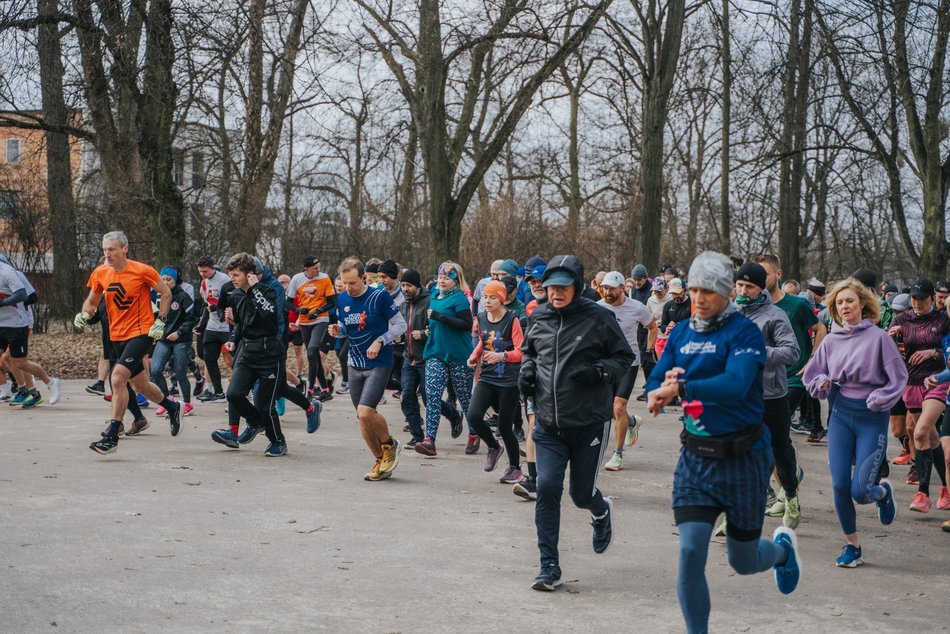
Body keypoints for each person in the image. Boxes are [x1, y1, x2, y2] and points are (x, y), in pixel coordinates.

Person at [646, 251, 801, 632]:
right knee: (690, 552)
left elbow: (736, 383)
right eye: (694, 290)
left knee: (742, 560)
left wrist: (683, 388)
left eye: (709, 291)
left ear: (728, 292)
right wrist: (656, 392)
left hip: (744, 459)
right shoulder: (682, 331)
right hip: (696, 460)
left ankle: (781, 552)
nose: (699, 299)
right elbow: (657, 377)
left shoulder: (744, 331)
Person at [520, 255, 635, 591]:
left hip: (588, 423)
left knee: (581, 495)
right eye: (551, 287)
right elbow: (529, 352)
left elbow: (624, 358)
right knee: (547, 488)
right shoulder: (539, 316)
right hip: (548, 424)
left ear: (578, 286)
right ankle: (549, 566)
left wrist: (599, 372)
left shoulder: (599, 317)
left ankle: (600, 511)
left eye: (563, 287)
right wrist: (527, 371)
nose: (555, 293)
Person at [804, 278, 906, 567]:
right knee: (839, 485)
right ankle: (853, 546)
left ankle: (882, 493)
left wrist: (882, 397)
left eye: (849, 300)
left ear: (862, 303)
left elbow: (899, 378)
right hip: (841, 415)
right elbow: (812, 374)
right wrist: (822, 382)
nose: (844, 306)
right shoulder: (831, 340)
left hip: (871, 418)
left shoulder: (879, 338)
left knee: (860, 492)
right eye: (839, 302)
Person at [75, 231, 182, 455]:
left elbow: (166, 294)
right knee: (141, 385)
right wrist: (84, 313)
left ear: (124, 248)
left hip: (141, 332)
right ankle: (172, 407)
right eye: (105, 249)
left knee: (117, 378)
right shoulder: (101, 272)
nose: (107, 254)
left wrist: (161, 321)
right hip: (116, 335)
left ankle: (112, 436)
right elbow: (92, 301)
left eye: (112, 249)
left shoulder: (142, 270)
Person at [730, 262, 802, 530]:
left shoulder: (775, 315)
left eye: (749, 286)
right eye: (740, 285)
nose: (743, 291)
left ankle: (791, 494)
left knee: (780, 451)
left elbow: (792, 353)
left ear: (761, 288)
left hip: (771, 396)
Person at [329, 257, 407, 480]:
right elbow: (347, 326)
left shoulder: (378, 297)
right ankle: (380, 460)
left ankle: (390, 444)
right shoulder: (343, 298)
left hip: (379, 362)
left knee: (366, 411)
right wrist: (338, 330)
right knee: (362, 417)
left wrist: (381, 340)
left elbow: (401, 325)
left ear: (364, 278)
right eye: (344, 283)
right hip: (354, 363)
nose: (348, 288)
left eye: (352, 283)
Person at [216, 254, 288, 456]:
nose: (232, 279)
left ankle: (278, 441)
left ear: (249, 275)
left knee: (265, 405)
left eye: (236, 275)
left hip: (270, 354)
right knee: (233, 394)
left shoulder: (269, 290)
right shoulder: (236, 295)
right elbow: (240, 324)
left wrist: (255, 289)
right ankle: (256, 422)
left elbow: (270, 315)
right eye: (230, 275)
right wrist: (233, 338)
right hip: (248, 352)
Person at [889, 278, 950, 511]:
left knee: (920, 430)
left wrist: (932, 352)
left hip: (936, 381)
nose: (917, 303)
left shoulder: (943, 319)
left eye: (922, 299)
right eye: (914, 298)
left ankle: (922, 493)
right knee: (931, 438)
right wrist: (891, 337)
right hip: (911, 383)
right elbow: (887, 350)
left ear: (932, 298)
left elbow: (948, 349)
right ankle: (946, 487)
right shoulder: (902, 319)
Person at [467, 280, 526, 483]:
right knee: (473, 415)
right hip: (487, 377)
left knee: (505, 426)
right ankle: (493, 447)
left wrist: (502, 356)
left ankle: (515, 468)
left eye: (493, 297)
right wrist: (474, 356)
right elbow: (483, 342)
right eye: (485, 297)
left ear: (502, 299)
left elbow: (521, 351)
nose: (487, 301)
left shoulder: (512, 320)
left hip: (509, 380)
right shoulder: (482, 318)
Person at [598, 271, 657, 471]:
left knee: (618, 407)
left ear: (623, 288)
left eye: (612, 288)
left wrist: (649, 350)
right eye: (605, 288)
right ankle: (631, 422)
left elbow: (652, 327)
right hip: (607, 363)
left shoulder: (637, 307)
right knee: (609, 409)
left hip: (628, 363)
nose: (607, 292)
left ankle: (618, 454)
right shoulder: (597, 307)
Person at [416, 261, 475, 457]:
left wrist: (440, 317)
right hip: (435, 352)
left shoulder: (459, 298)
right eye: (440, 277)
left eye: (446, 278)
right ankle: (429, 440)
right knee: (432, 396)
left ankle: (474, 433)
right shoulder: (434, 294)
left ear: (456, 280)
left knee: (465, 398)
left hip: (458, 355)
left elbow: (467, 324)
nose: (441, 281)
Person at [398, 268, 462, 449]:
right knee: (406, 396)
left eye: (408, 285)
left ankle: (454, 415)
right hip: (409, 357)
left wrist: (423, 334)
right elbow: (401, 327)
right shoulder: (403, 305)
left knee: (429, 399)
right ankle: (417, 436)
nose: (405, 289)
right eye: (403, 285)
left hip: (428, 357)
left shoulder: (430, 302)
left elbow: (438, 328)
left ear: (417, 285)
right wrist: (399, 337)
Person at [287, 255, 337, 401]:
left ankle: (309, 389)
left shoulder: (324, 278)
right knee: (313, 355)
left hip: (321, 319)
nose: (318, 270)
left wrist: (319, 310)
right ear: (306, 269)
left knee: (311, 351)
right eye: (315, 268)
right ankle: (325, 390)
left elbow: (332, 301)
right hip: (304, 321)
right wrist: (298, 310)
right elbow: (288, 302)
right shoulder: (297, 279)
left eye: (319, 267)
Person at [149, 266, 196, 417]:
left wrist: (179, 332)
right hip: (163, 339)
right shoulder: (158, 296)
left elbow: (192, 319)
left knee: (180, 373)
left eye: (168, 279)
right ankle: (167, 400)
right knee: (155, 370)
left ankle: (187, 404)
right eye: (162, 279)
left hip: (181, 340)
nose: (165, 282)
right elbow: (154, 316)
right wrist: (154, 334)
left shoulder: (183, 297)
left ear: (175, 281)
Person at [194, 257, 231, 401]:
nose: (203, 274)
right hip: (212, 326)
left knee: (234, 359)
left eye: (205, 271)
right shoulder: (204, 283)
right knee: (209, 359)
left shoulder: (225, 279)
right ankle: (219, 392)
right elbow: (206, 305)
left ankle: (248, 388)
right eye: (200, 271)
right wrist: (201, 325)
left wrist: (218, 307)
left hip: (227, 326)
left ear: (212, 268)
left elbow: (233, 300)